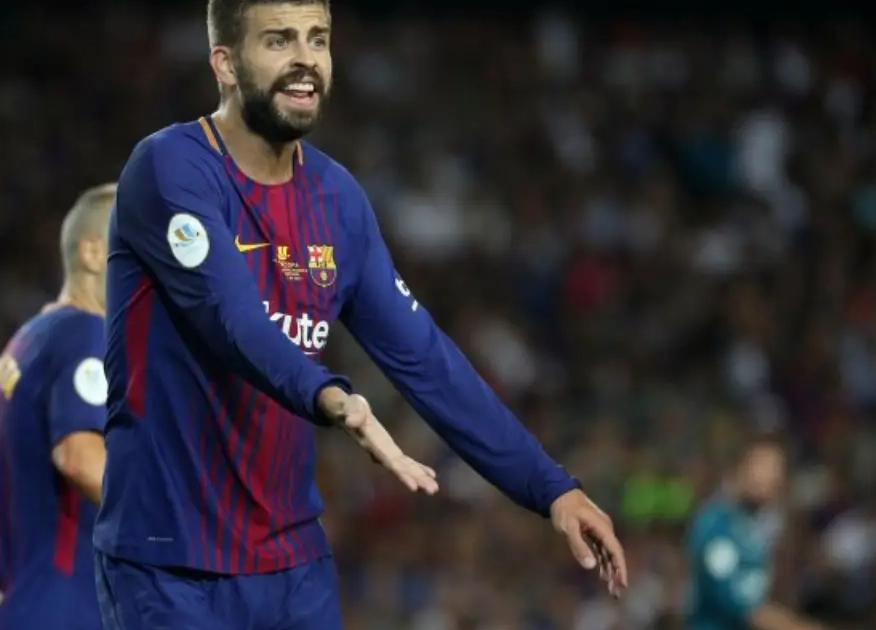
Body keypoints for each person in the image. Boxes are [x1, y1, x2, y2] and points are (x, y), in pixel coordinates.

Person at [97, 1, 629, 628]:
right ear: (226, 64)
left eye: (317, 39)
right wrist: (334, 399)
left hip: (293, 567)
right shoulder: (170, 168)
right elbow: (233, 321)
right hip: (169, 564)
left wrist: (553, 488)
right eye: (279, 41)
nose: (305, 59)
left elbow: (425, 360)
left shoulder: (337, 199)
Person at [0, 184, 118, 630]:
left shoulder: (20, 350)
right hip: (61, 613)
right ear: (92, 253)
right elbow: (81, 458)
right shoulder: (86, 333)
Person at [686, 436, 828, 630]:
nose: (774, 478)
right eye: (765, 467)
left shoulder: (753, 526)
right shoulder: (716, 525)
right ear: (741, 468)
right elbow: (743, 606)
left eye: (778, 470)